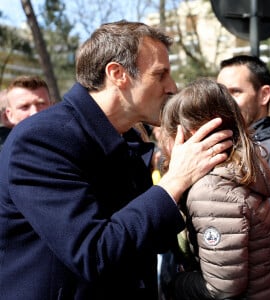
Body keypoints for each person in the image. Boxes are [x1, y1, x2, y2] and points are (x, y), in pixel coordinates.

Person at [0, 20, 233, 300]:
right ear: (117, 74)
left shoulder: (126, 139)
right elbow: (94, 253)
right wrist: (175, 180)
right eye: (160, 75)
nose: (172, 87)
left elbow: (150, 239)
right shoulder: (42, 139)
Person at [159, 78, 270, 300]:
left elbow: (222, 287)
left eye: (167, 133)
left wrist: (176, 282)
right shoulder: (238, 170)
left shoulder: (210, 190)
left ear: (189, 135)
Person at [217, 55, 270, 246]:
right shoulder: (227, 145)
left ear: (264, 94)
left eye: (235, 92)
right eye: (221, 93)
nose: (225, 102)